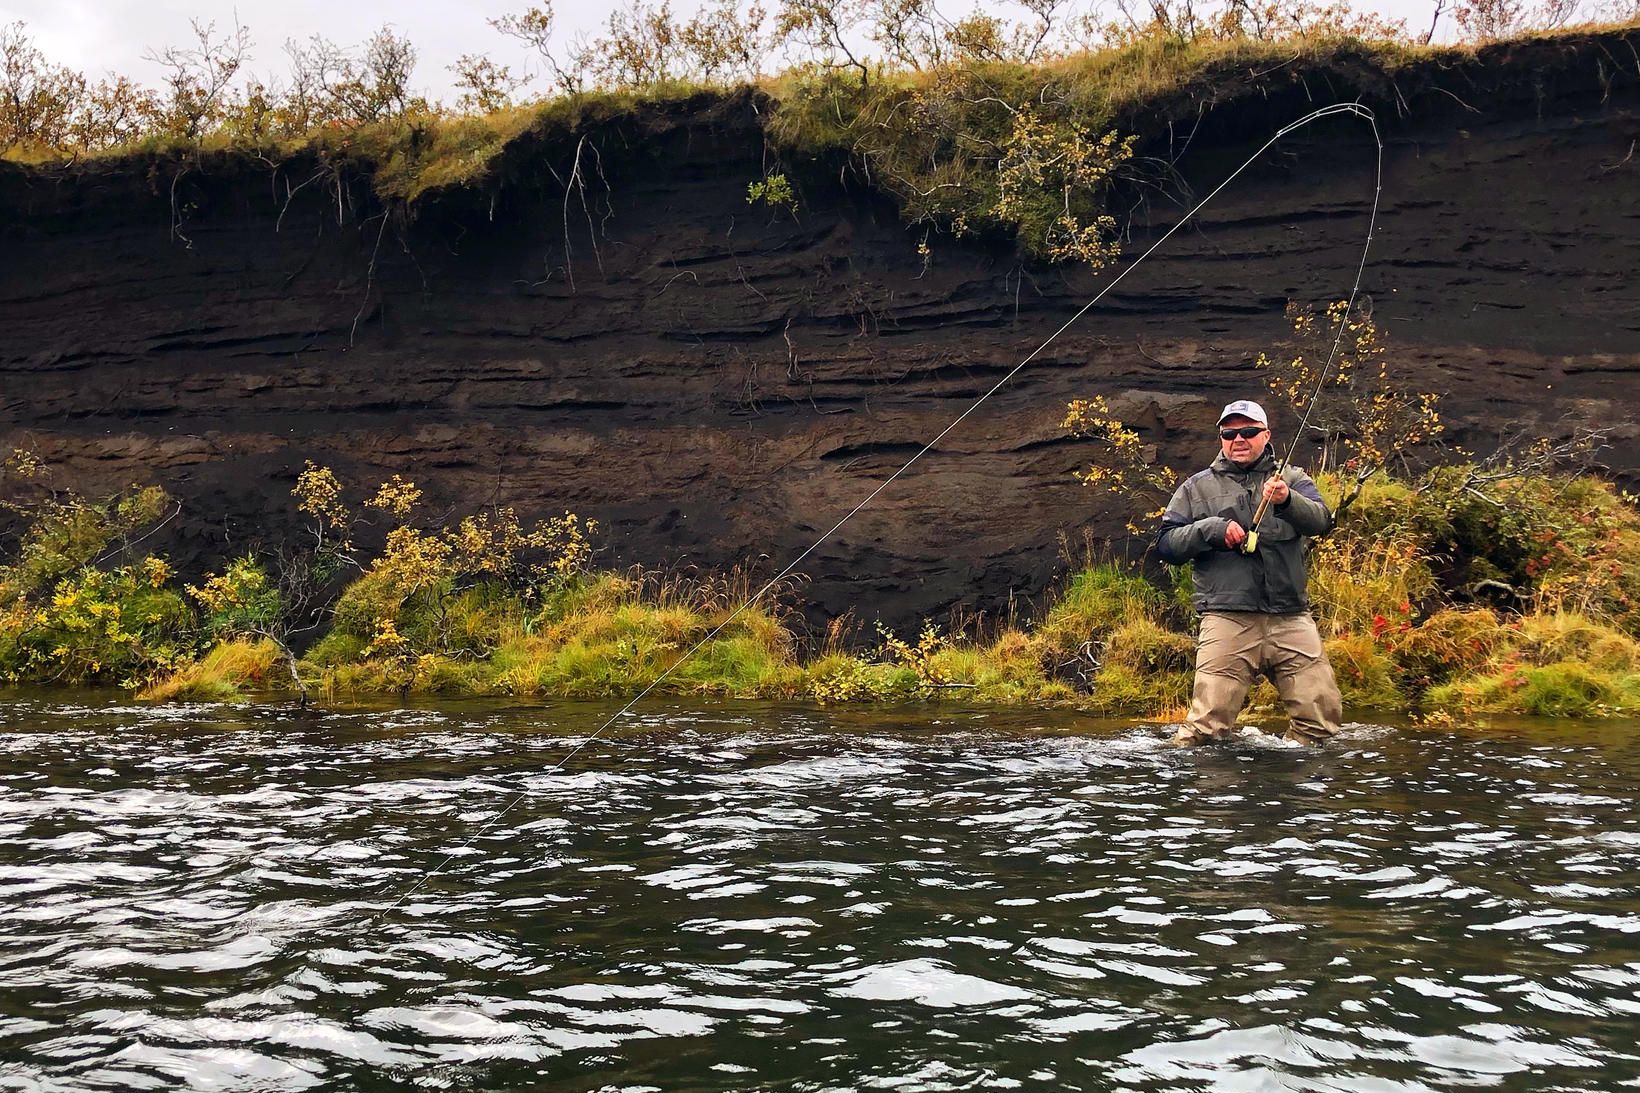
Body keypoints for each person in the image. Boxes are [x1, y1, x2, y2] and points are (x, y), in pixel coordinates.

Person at [1156, 400, 1343, 746]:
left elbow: (1321, 522)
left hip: (1291, 617)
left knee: (1321, 725)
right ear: (1221, 438)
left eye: (1248, 431)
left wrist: (1287, 500)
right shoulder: (1195, 489)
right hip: (1227, 618)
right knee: (1204, 733)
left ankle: (1293, 791)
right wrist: (1210, 530)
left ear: (1266, 435)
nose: (1238, 439)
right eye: (1230, 433)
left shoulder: (1293, 479)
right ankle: (1213, 795)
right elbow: (1166, 545)